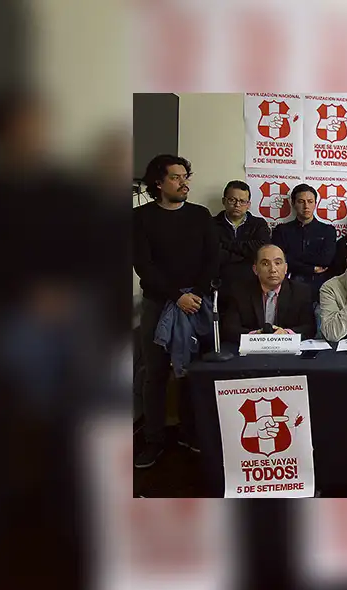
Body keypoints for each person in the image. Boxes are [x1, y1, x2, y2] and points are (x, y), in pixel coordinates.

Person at [132, 154, 218, 468]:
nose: (184, 183)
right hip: (159, 303)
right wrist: (174, 296)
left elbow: (212, 258)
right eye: (176, 177)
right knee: (154, 373)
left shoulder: (200, 215)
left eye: (186, 176)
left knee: (192, 372)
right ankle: (153, 440)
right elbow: (143, 265)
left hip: (196, 303)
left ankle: (189, 432)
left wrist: (194, 294)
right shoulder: (140, 217)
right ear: (158, 182)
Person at [221, 244, 316, 342]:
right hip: (252, 352)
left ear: (286, 268)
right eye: (265, 264)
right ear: (255, 269)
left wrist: (286, 333)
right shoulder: (240, 292)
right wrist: (255, 336)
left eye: (278, 263)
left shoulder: (301, 291)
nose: (273, 270)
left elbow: (309, 328)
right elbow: (229, 329)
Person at [271, 183, 337, 294]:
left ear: (315, 203)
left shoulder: (328, 230)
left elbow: (325, 260)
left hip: (319, 289)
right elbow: (278, 260)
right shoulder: (282, 230)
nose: (306, 206)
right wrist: (311, 269)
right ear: (293, 204)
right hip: (288, 286)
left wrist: (293, 256)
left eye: (310, 202)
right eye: (301, 202)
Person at [213, 180, 270, 292]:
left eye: (242, 201)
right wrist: (245, 255)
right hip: (220, 284)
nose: (237, 205)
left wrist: (226, 245)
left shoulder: (258, 224)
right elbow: (213, 253)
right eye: (232, 200)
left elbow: (262, 250)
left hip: (252, 284)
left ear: (248, 205)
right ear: (224, 201)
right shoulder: (211, 223)